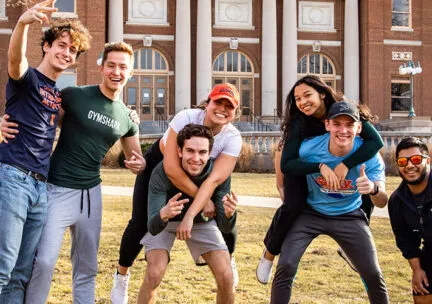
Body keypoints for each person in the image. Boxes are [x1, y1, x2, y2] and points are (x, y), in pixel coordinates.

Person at [1, 42, 145, 303]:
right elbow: (35, 115)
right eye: (111, 65)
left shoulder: (127, 117)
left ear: (131, 73)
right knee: (43, 262)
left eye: (123, 67)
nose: (116, 71)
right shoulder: (74, 95)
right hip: (56, 189)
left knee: (87, 267)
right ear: (101, 67)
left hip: (91, 196)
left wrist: (139, 165)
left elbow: (138, 159)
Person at [111, 83, 242, 303]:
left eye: (229, 105)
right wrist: (201, 201)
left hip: (203, 178)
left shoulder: (231, 138)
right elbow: (171, 169)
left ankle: (227, 257)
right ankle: (122, 274)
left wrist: (199, 212)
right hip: (162, 163)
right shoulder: (186, 118)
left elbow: (214, 180)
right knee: (140, 222)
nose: (222, 108)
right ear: (207, 103)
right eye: (218, 102)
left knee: (224, 213)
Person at [0, 1, 91, 302]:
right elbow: (15, 60)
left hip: (40, 188)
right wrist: (23, 23)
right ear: (48, 47)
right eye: (61, 45)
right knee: (3, 267)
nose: (66, 53)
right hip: (13, 178)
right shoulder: (27, 80)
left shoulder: (58, 95)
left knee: (20, 273)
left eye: (72, 50)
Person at [256, 75, 383, 284]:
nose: (302, 102)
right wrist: (318, 168)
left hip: (344, 160)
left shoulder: (344, 109)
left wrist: (345, 165)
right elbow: (287, 162)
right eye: (297, 99)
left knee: (365, 191)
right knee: (292, 206)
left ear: (322, 94)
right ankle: (269, 254)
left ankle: (349, 248)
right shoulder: (299, 122)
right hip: (304, 166)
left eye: (308, 95)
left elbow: (375, 142)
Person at [270, 101, 389, 303]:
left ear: (359, 128)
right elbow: (284, 157)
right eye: (337, 124)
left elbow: (382, 202)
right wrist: (281, 186)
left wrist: (373, 189)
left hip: (349, 215)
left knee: (373, 273)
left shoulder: (370, 158)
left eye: (349, 125)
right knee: (286, 265)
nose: (343, 130)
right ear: (327, 125)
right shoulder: (309, 149)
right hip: (310, 213)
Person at [137, 124, 237, 304]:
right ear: (179, 151)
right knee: (154, 274)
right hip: (165, 224)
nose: (196, 158)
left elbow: (224, 226)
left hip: (201, 223)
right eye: (190, 151)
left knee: (226, 275)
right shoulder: (161, 172)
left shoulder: (218, 173)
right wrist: (163, 214)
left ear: (209, 153)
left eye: (202, 152)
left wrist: (229, 215)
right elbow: (152, 226)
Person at [388, 137, 432, 304]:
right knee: (422, 291)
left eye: (415, 159)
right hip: (430, 249)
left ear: (427, 161)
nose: (409, 165)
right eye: (402, 161)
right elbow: (405, 239)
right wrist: (417, 269)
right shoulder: (397, 200)